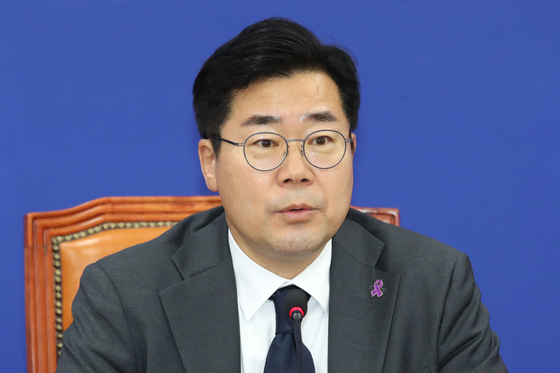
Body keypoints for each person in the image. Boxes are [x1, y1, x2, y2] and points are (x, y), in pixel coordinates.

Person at [57, 18, 508, 372]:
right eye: (265, 144)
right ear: (210, 163)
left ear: (351, 149)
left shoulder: (435, 285)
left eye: (321, 140)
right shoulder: (123, 297)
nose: (297, 172)